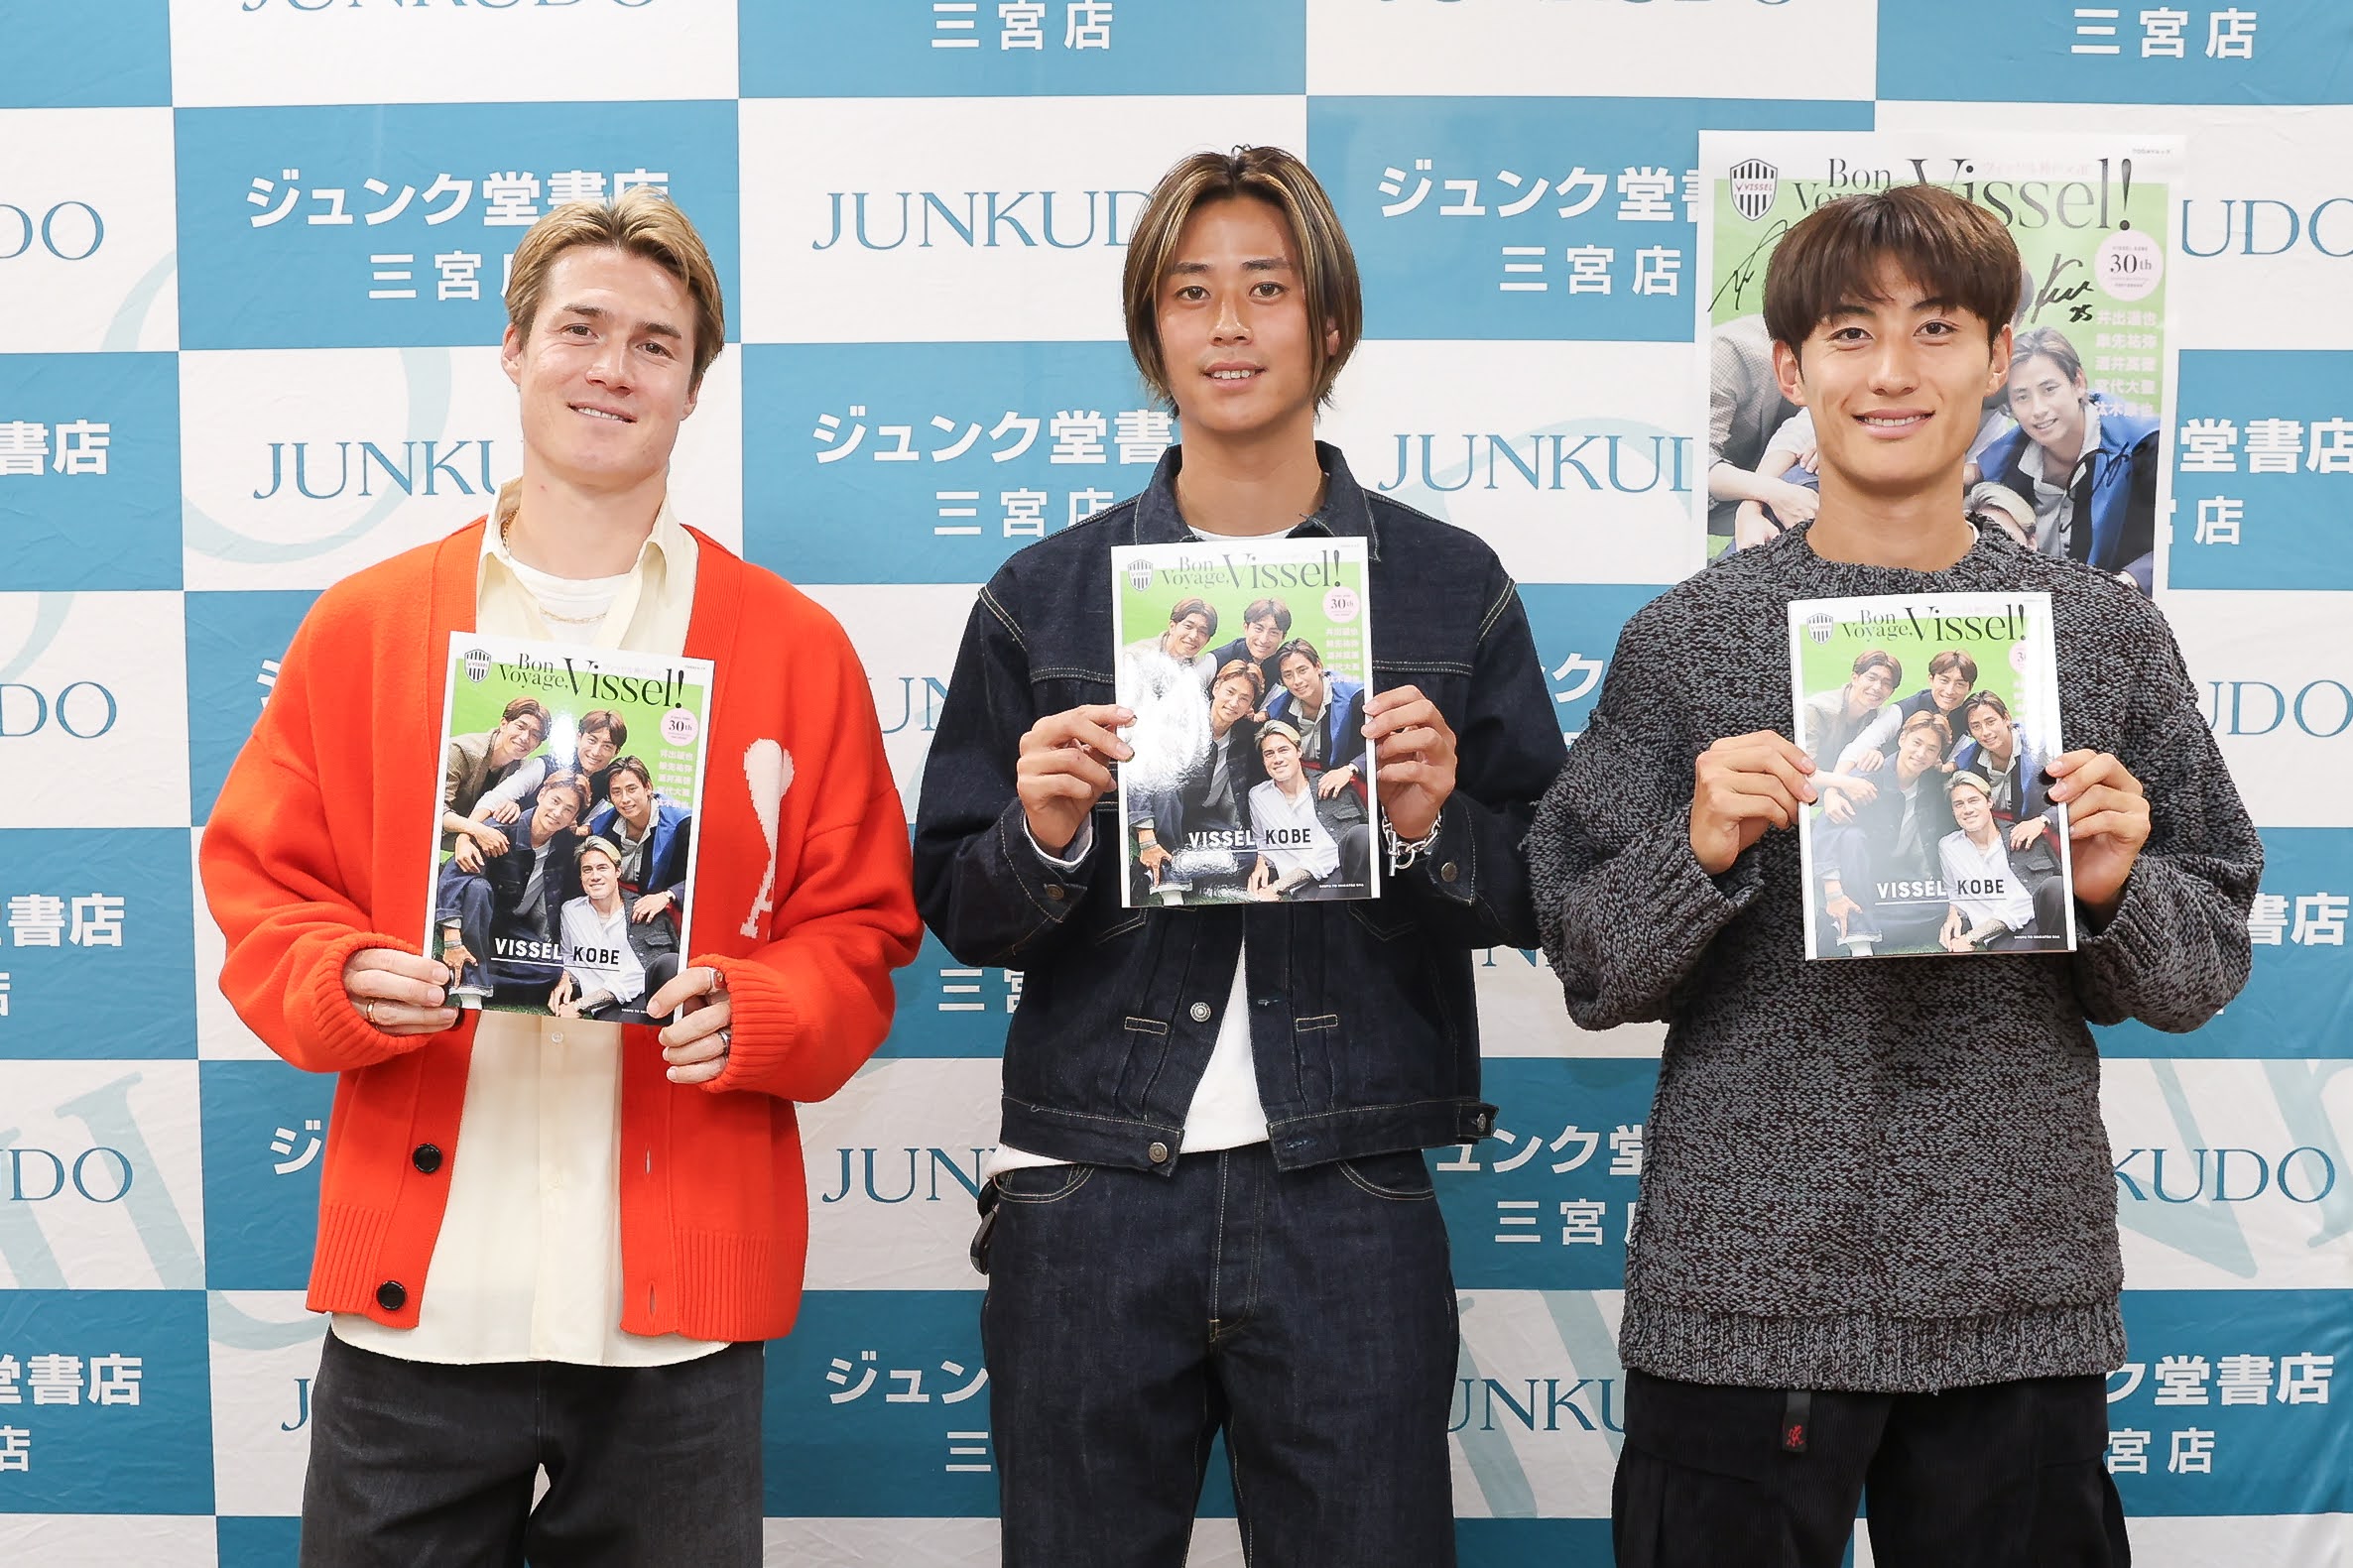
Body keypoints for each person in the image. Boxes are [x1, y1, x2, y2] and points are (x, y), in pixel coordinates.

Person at [1525, 181, 2260, 1567]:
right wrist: (1695, 851)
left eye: (1936, 329)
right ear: (1792, 368)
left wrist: (2116, 884)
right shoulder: (1687, 640)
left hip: (2015, 1285)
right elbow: (1588, 964)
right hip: (1744, 1287)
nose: (1893, 371)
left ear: (1996, 356)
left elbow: (2201, 965)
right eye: (1851, 334)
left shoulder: (2100, 637)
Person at [198, 188, 921, 1567]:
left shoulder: (793, 647)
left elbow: (861, 927)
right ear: (515, 349)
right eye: (580, 329)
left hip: (676, 1330)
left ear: (696, 386)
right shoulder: (365, 627)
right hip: (420, 1308)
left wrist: (761, 1011)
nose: (612, 368)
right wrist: (341, 978)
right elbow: (261, 891)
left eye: (656, 344)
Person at [912, 145, 1564, 1567]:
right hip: (1087, 1185)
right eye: (1190, 293)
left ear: (1328, 324)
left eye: (1265, 289)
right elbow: (957, 904)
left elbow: (1553, 889)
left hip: (1350, 1186)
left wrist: (1431, 824)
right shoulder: (1045, 595)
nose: (1227, 325)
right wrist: (1041, 835)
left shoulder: (1447, 583)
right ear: (1150, 332)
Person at [1977, 324, 2160, 593]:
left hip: (2126, 605)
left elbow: (2184, 540)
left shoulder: (2142, 446)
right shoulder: (2005, 463)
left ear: (2078, 383)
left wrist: (2131, 580)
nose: (2038, 409)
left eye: (2049, 389)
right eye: (2022, 396)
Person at [1809, 710, 1959, 955]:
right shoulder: (1868, 776)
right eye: (1917, 742)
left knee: (1941, 907)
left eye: (1931, 749)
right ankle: (1858, 935)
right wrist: (1834, 893)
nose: (1921, 753)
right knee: (1853, 837)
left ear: (1937, 756)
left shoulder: (1932, 783)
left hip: (1892, 878)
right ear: (1902, 739)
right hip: (1854, 872)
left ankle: (1839, 926)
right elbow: (1826, 829)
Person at [435, 768, 591, 1005]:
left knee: (551, 971)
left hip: (506, 925)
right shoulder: (501, 827)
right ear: (541, 795)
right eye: (555, 801)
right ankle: (470, 987)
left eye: (568, 809)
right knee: (478, 887)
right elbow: (453, 878)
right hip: (471, 917)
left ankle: (455, 976)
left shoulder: (564, 844)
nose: (558, 812)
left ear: (574, 817)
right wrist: (452, 940)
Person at [1131, 657, 1266, 898]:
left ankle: (1163, 870)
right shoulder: (1180, 721)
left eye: (1244, 698)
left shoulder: (1244, 734)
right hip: (1164, 811)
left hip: (1199, 817)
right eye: (1230, 692)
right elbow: (1140, 773)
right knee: (1169, 783)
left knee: (1245, 853)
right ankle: (1169, 882)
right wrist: (1146, 837)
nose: (1234, 703)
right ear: (1216, 688)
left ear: (1250, 705)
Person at [551, 835, 681, 1020]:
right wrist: (563, 977)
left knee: (670, 962)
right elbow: (569, 957)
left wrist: (581, 1004)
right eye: (587, 870)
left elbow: (647, 969)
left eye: (602, 868)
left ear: (618, 871)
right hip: (606, 1008)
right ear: (581, 877)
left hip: (647, 997)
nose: (595, 876)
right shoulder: (571, 911)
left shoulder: (643, 908)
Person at [1938, 771, 2068, 952]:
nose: (1967, 810)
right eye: (1959, 804)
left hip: (2038, 921)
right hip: (2000, 937)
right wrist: (1953, 914)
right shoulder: (1948, 846)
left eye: (1973, 800)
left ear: (1989, 802)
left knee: (2056, 886)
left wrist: (1972, 936)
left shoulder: (2022, 835)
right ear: (1953, 812)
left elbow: (2034, 895)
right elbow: (1954, 890)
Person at [1245, 720, 1372, 900]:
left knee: (1363, 834)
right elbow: (1262, 840)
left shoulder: (1329, 784)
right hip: (1304, 887)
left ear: (1299, 751)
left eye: (1283, 750)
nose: (1277, 759)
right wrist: (1260, 861)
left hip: (1342, 874)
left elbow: (1341, 844)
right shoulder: (1258, 796)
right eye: (1269, 753)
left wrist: (1279, 886)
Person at [1707, 312, 1802, 546]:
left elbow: (1802, 429)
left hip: (1766, 470)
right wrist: (1769, 492)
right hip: (1668, 484)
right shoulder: (1728, 355)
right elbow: (1689, 464)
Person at [469, 706, 629, 827]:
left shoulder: (604, 784)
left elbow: (592, 824)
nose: (596, 752)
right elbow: (496, 797)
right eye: (592, 740)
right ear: (579, 737)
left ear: (616, 751)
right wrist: (468, 834)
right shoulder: (545, 765)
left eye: (607, 746)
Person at [583, 754, 693, 922]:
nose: (625, 799)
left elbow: (705, 877)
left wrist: (668, 895)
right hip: (617, 909)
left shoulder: (683, 825)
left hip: (665, 913)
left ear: (648, 787)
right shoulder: (603, 828)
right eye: (616, 792)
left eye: (631, 789)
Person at [441, 695, 548, 862]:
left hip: (463, 843)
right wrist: (477, 830)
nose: (525, 738)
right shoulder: (459, 752)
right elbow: (436, 812)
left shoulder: (521, 770)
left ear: (538, 744)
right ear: (503, 724)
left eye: (535, 735)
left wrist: (514, 806)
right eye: (520, 726)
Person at [1837, 647, 1976, 772]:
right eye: (1944, 680)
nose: (1950, 691)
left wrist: (1945, 767)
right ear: (1931, 679)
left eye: (1960, 684)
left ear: (1970, 688)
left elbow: (1958, 758)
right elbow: (1856, 749)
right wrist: (1835, 787)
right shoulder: (1902, 710)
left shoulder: (1964, 717)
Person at [1264, 635, 1369, 797]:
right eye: (1288, 675)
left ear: (1318, 666)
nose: (1297, 681)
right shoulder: (1280, 710)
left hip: (1349, 780)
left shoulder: (1356, 698)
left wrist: (1350, 769)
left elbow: (1381, 745)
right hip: (1302, 784)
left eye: (1302, 670)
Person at [1950, 689, 2054, 843]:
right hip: (1993, 834)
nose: (1985, 732)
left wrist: (2042, 820)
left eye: (1990, 722)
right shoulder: (1968, 762)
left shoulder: (2043, 751)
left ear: (2006, 718)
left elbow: (2071, 794)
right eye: (1976, 726)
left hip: (2038, 830)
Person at [1796, 648, 1900, 767]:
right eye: (1871, 678)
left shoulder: (1881, 718)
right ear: (1855, 678)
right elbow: (1804, 767)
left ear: (1891, 692)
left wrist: (1878, 755)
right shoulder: (1815, 710)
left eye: (1886, 683)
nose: (1877, 687)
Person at [1206, 593, 1292, 699]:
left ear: (1283, 637)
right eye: (1258, 629)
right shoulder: (1215, 660)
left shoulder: (1278, 667)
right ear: (1246, 628)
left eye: (1273, 632)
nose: (1264, 639)